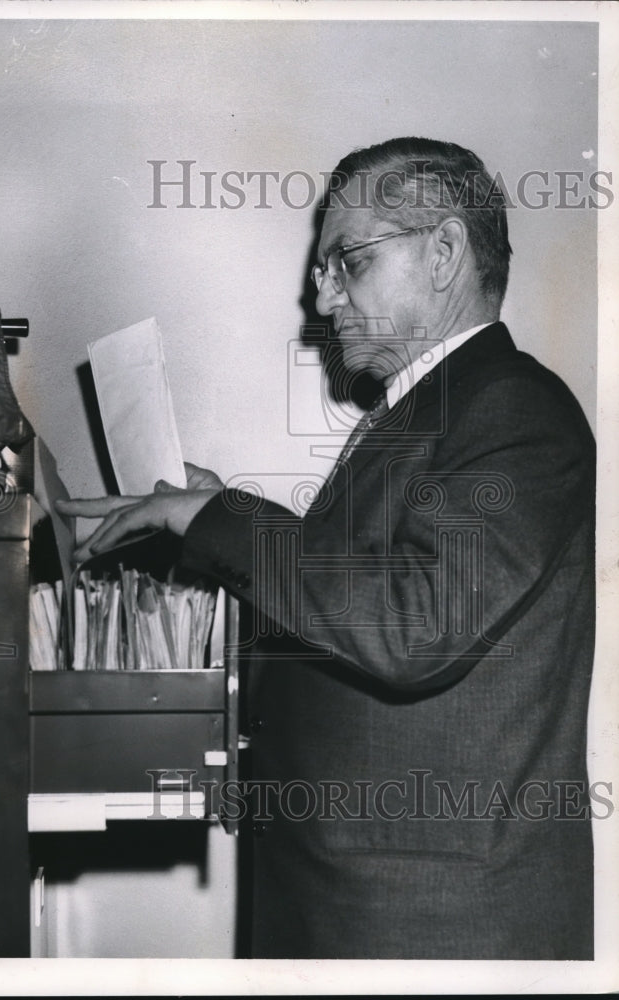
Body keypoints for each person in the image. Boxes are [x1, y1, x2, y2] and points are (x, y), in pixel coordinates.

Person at [57, 137, 596, 960]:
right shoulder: (426, 415)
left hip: (430, 925)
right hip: (360, 902)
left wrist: (217, 517)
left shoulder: (513, 408)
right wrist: (201, 514)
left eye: (348, 261)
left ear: (445, 251)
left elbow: (414, 628)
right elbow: (351, 602)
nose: (321, 297)